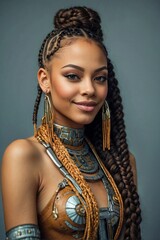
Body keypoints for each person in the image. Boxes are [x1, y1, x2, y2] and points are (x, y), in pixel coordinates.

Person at [1, 6, 142, 240]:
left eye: (100, 78)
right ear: (45, 80)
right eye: (73, 76)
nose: (89, 90)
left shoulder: (123, 163)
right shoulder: (24, 156)